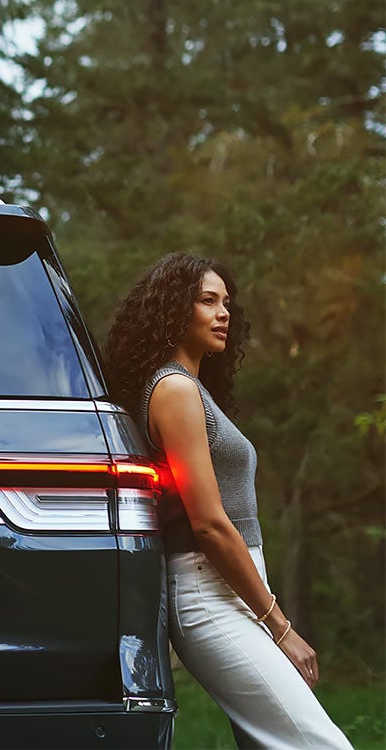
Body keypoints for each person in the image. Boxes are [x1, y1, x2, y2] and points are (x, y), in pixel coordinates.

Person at [104, 252, 352, 749]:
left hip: (233, 591)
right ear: (175, 309)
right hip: (209, 597)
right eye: (207, 301)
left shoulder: (191, 389)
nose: (224, 314)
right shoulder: (174, 390)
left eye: (227, 304)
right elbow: (210, 525)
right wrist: (281, 627)